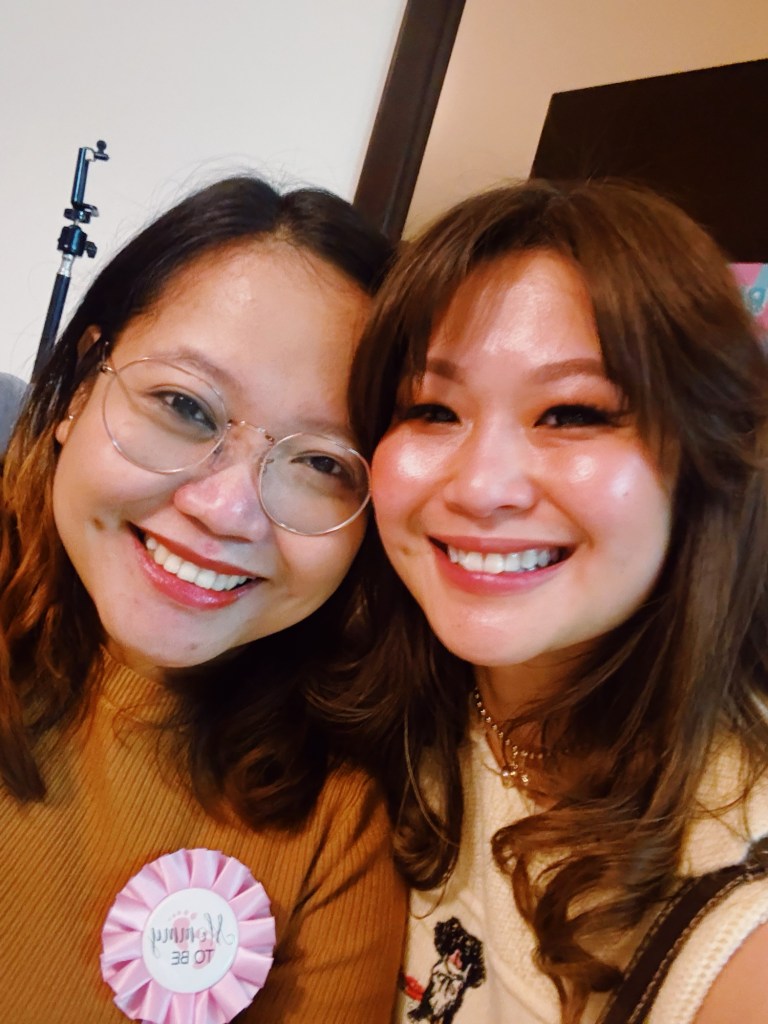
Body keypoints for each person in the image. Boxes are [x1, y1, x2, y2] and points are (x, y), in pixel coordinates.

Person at [347, 179, 768, 1023]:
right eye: (431, 409)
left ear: (706, 459)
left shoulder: (734, 900)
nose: (482, 487)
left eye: (572, 413)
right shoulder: (366, 703)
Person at [0, 176, 405, 1023]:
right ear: (79, 388)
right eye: (184, 405)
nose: (225, 509)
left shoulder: (341, 830)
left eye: (322, 463)